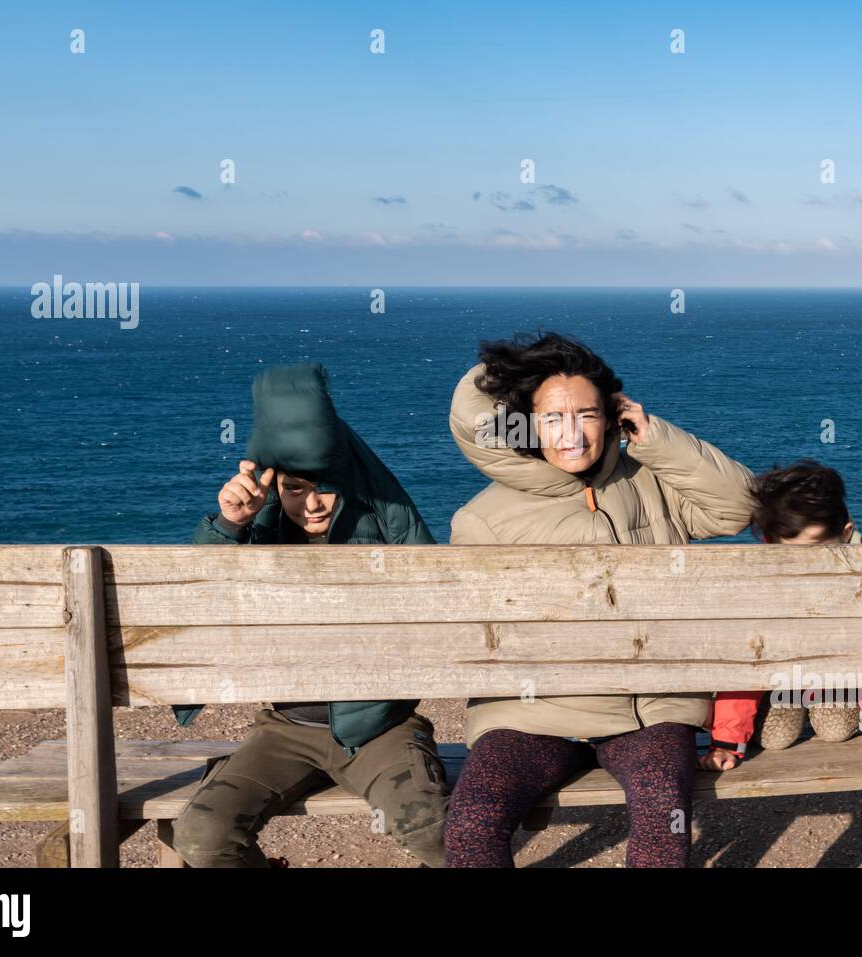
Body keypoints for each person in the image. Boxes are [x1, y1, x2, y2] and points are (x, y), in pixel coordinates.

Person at [442, 332, 756, 867]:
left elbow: (738, 506)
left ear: (610, 417)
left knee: (662, 802)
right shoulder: (482, 518)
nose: (572, 434)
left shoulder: (649, 482)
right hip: (530, 713)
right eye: (553, 418)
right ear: (521, 423)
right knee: (471, 821)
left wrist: (653, 437)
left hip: (647, 709)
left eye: (587, 415)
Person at [170, 363, 449, 867]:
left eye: (325, 487)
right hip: (285, 729)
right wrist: (232, 523)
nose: (313, 503)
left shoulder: (383, 528)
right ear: (276, 488)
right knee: (203, 834)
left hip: (379, 728)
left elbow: (437, 601)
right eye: (295, 489)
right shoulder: (258, 537)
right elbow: (201, 593)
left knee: (433, 830)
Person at [700, 461, 862, 771]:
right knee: (776, 737)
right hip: (776, 684)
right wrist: (728, 740)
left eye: (813, 549)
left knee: (835, 728)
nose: (803, 563)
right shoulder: (763, 586)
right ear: (771, 543)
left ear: (846, 533)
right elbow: (748, 662)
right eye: (790, 551)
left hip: (834, 680)